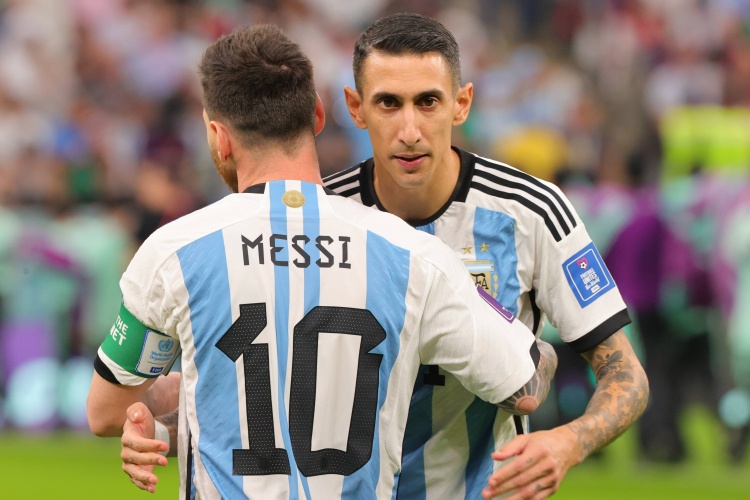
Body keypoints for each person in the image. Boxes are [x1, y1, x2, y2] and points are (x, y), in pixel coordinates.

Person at [86, 23, 558, 498]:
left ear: (218, 136)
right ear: (317, 114)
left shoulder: (175, 251)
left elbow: (105, 412)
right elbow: (526, 386)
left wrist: (172, 401)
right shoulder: (413, 256)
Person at [321, 13, 649, 499]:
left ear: (461, 104)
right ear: (356, 107)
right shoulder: (321, 216)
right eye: (388, 103)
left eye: (428, 102)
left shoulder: (532, 210)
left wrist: (568, 442)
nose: (409, 129)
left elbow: (626, 374)